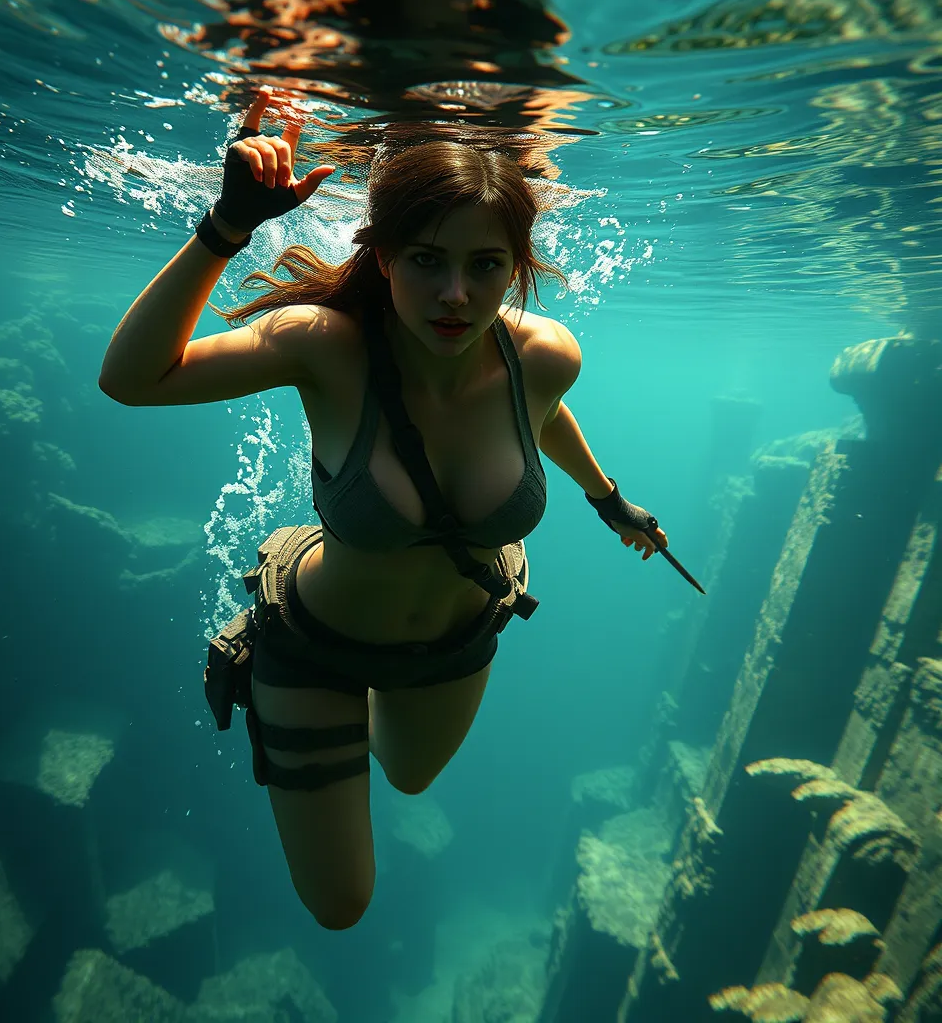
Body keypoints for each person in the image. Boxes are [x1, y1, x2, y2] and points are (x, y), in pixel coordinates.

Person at [100, 90, 667, 931]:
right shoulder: (321, 346)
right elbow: (130, 380)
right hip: (317, 639)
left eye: (486, 265)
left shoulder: (544, 356)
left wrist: (609, 498)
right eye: (427, 259)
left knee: (409, 776)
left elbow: (539, 416)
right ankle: (295, 678)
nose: (455, 296)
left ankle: (342, 730)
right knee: (341, 903)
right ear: (385, 255)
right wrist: (227, 226)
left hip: (461, 633)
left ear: (518, 265)